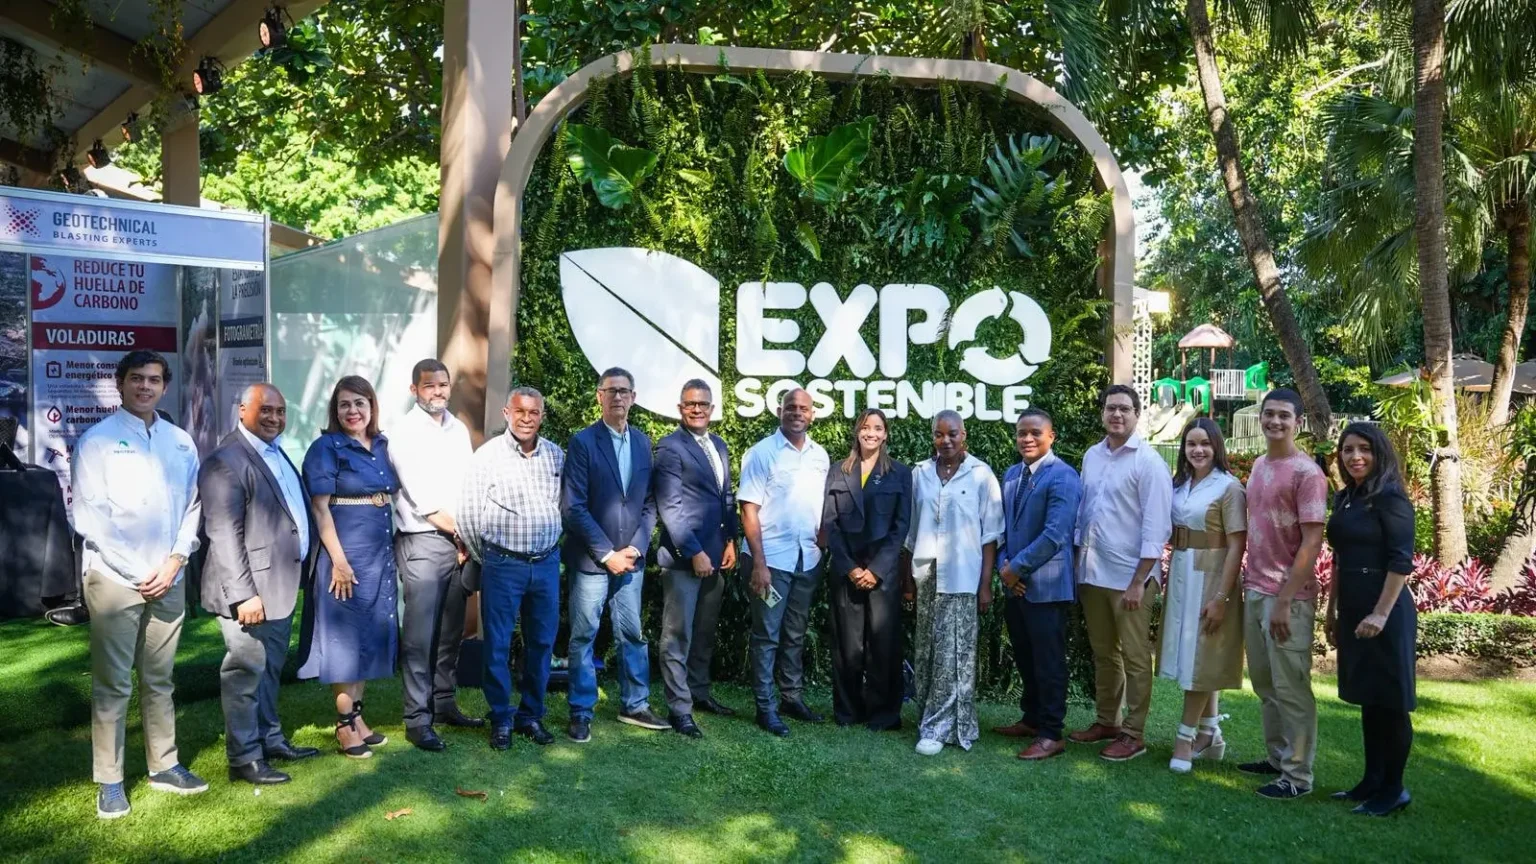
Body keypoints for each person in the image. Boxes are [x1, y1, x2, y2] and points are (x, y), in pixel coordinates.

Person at [72, 350, 208, 819]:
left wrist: (175, 560)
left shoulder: (180, 442)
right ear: (121, 383)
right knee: (113, 685)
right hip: (115, 579)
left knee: (160, 679)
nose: (145, 387)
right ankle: (110, 780)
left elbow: (193, 506)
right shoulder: (97, 441)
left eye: (153, 380)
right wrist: (138, 572)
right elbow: (90, 517)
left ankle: (164, 765)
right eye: (136, 378)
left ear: (164, 386)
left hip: (169, 576)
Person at [199, 383, 320, 786]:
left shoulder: (275, 452)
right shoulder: (226, 460)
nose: (274, 417)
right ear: (242, 410)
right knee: (245, 671)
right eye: (265, 410)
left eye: (280, 411)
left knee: (269, 671)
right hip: (249, 593)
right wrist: (243, 595)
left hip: (278, 586)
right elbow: (223, 534)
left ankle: (270, 739)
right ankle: (244, 758)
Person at [297, 375, 399, 759]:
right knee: (345, 644)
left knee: (367, 639)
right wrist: (338, 562)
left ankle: (358, 719)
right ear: (335, 410)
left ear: (372, 406)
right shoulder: (326, 448)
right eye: (345, 404)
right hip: (345, 559)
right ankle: (344, 726)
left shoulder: (381, 445)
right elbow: (320, 509)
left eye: (360, 403)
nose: (353, 411)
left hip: (377, 558)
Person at [562, 367, 666, 740]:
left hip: (631, 560)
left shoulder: (642, 442)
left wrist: (636, 547)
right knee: (583, 636)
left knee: (632, 633)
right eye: (611, 391)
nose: (618, 397)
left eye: (624, 391)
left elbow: (649, 502)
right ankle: (581, 711)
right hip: (592, 561)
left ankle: (635, 704)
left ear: (633, 398)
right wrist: (608, 554)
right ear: (599, 396)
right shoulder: (582, 442)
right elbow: (573, 507)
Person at [458, 387, 564, 751]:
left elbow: (561, 506)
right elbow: (468, 515)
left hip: (546, 563)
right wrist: (487, 558)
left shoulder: (555, 455)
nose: (526, 418)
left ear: (542, 416)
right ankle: (501, 717)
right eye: (520, 411)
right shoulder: (487, 457)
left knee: (542, 642)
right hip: (502, 564)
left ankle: (531, 715)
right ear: (507, 413)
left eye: (534, 412)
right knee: (498, 644)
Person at [1072, 384, 1172, 763]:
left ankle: (1133, 733)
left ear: (1137, 414)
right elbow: (1084, 514)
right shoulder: (1092, 456)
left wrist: (1138, 581)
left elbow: (1156, 528)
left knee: (1134, 656)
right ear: (1103, 413)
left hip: (1131, 579)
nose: (1116, 414)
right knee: (1103, 653)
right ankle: (1107, 722)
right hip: (1093, 573)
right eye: (1111, 408)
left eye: (1124, 409)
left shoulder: (1148, 463)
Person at [389, 359, 484, 752]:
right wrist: (463, 537)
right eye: (429, 385)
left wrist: (465, 540)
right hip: (424, 542)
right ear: (414, 389)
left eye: (443, 384)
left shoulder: (457, 429)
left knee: (450, 631)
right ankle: (417, 719)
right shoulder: (403, 433)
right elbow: (423, 500)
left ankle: (443, 703)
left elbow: (467, 486)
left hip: (458, 544)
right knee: (419, 636)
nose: (438, 391)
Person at [1238, 388, 1327, 799]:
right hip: (1256, 589)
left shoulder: (1307, 474)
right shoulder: (1259, 465)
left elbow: (1312, 541)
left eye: (1284, 416)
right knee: (1266, 685)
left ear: (1298, 422)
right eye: (1269, 414)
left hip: (1288, 597)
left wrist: (1286, 599)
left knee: (1291, 688)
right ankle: (1277, 759)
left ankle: (1298, 776)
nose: (1275, 421)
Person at [1325, 422, 1416, 817]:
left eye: (1364, 449)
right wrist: (1332, 610)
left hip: (1387, 610)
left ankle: (1394, 789)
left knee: (1390, 701)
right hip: (1353, 604)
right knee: (1369, 697)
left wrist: (1380, 613)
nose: (1355, 456)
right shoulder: (1346, 498)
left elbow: (1401, 561)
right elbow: (1339, 558)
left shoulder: (1390, 498)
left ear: (1379, 453)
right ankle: (1371, 780)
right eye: (1348, 449)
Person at [905, 409, 1004, 756]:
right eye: (939, 434)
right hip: (926, 574)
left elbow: (990, 535)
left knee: (954, 653)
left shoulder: (981, 475)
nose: (945, 440)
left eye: (952, 434)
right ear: (932, 436)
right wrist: (908, 581)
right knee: (927, 649)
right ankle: (935, 717)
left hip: (963, 576)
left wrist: (985, 585)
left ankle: (938, 728)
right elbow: (911, 532)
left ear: (964, 436)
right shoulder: (920, 473)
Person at [738, 388, 831, 737]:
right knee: (767, 635)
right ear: (780, 411)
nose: (797, 413)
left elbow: (822, 504)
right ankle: (765, 706)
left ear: (812, 414)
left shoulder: (820, 456)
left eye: (803, 408)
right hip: (770, 561)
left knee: (795, 632)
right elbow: (748, 509)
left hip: (807, 559)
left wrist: (822, 538)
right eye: (790, 407)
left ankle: (791, 697)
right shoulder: (761, 452)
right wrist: (759, 564)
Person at [1158, 419, 1247, 774]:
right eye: (1191, 443)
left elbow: (1237, 544)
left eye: (1205, 444)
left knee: (1199, 656)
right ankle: (1210, 732)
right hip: (1182, 570)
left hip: (1212, 577)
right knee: (1195, 655)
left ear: (1217, 447)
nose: (1198, 450)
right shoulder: (1179, 484)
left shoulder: (1229, 487)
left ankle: (1185, 737)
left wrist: (1221, 597)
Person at [654, 379, 739, 738]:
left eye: (703, 404)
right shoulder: (670, 448)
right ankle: (679, 709)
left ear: (712, 409)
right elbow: (670, 507)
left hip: (716, 556)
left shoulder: (718, 445)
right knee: (678, 636)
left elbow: (726, 496)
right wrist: (695, 552)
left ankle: (699, 693)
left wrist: (731, 540)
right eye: (690, 404)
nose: (697, 409)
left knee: (703, 633)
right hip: (684, 560)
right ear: (680, 408)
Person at [996, 409, 1082, 761]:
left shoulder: (1063, 476)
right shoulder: (1011, 474)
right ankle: (1031, 719)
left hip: (1047, 587)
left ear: (1051, 436)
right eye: (1022, 433)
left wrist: (1015, 569)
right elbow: (1003, 528)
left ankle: (1051, 733)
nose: (1027, 439)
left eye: (1035, 432)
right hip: (1015, 585)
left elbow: (1055, 534)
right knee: (1025, 656)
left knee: (1048, 662)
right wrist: (1005, 567)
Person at [821, 408, 912, 731]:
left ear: (885, 434)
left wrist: (876, 569)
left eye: (877, 428)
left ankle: (883, 714)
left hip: (882, 573)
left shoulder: (900, 473)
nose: (871, 433)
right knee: (848, 645)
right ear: (856, 432)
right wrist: (849, 567)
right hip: (847, 571)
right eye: (865, 427)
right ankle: (848, 711)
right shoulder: (838, 471)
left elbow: (901, 526)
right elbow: (830, 524)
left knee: (883, 645)